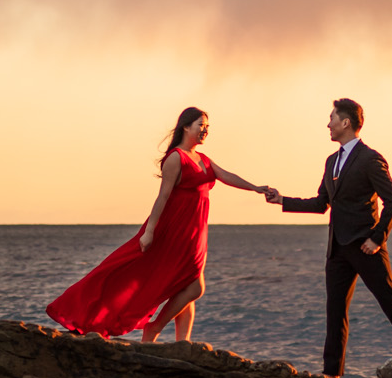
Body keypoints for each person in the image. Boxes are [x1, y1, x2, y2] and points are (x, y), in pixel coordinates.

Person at [47, 107, 271, 342]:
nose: (205, 130)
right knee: (195, 287)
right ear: (186, 127)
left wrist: (256, 188)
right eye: (200, 125)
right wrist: (150, 231)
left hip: (195, 233)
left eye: (207, 126)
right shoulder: (176, 158)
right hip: (173, 231)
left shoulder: (203, 159)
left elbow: (226, 175)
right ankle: (153, 328)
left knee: (185, 286)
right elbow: (162, 197)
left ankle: (183, 343)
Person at [264, 97, 392, 378]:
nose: (328, 124)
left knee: (391, 303)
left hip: (366, 247)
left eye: (332, 119)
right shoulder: (331, 161)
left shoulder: (370, 159)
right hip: (337, 249)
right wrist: (282, 200)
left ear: (346, 122)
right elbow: (320, 203)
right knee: (335, 313)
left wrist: (377, 238)